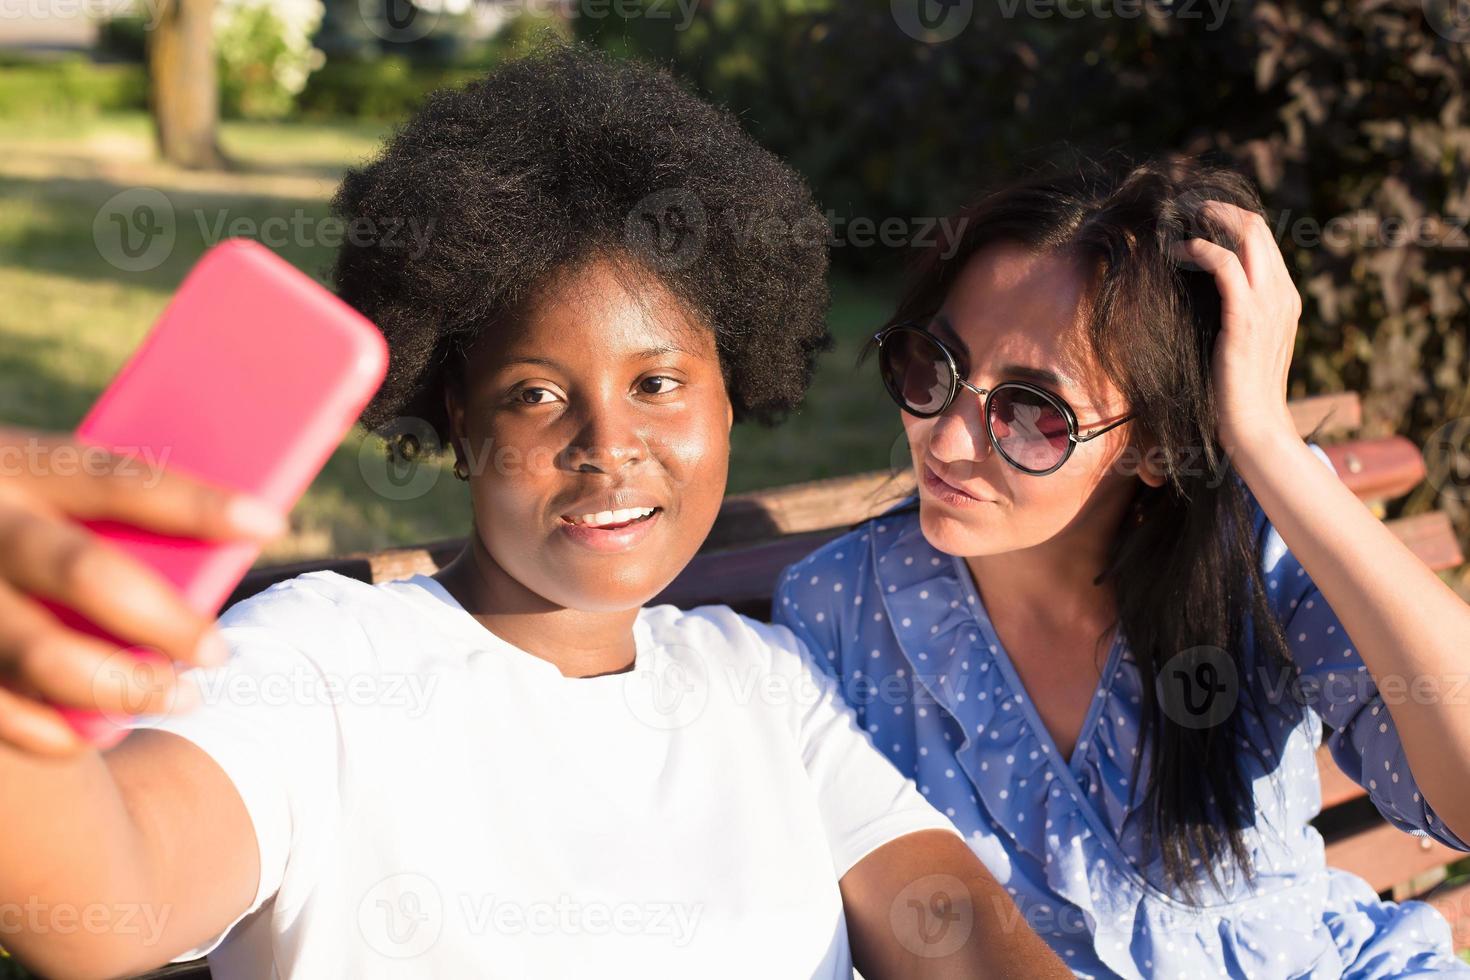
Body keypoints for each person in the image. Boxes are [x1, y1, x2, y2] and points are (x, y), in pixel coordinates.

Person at [0, 44, 1069, 979]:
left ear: (733, 387)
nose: (609, 446)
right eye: (537, 394)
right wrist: (22, 733)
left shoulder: (763, 685)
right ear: (459, 420)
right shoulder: (318, 664)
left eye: (658, 383)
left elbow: (959, 927)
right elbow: (110, 899)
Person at [772, 154, 1470, 978]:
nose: (946, 440)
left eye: (1033, 413)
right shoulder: (842, 610)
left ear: (1151, 445)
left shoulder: (1250, 544)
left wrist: (1268, 443)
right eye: (933, 365)